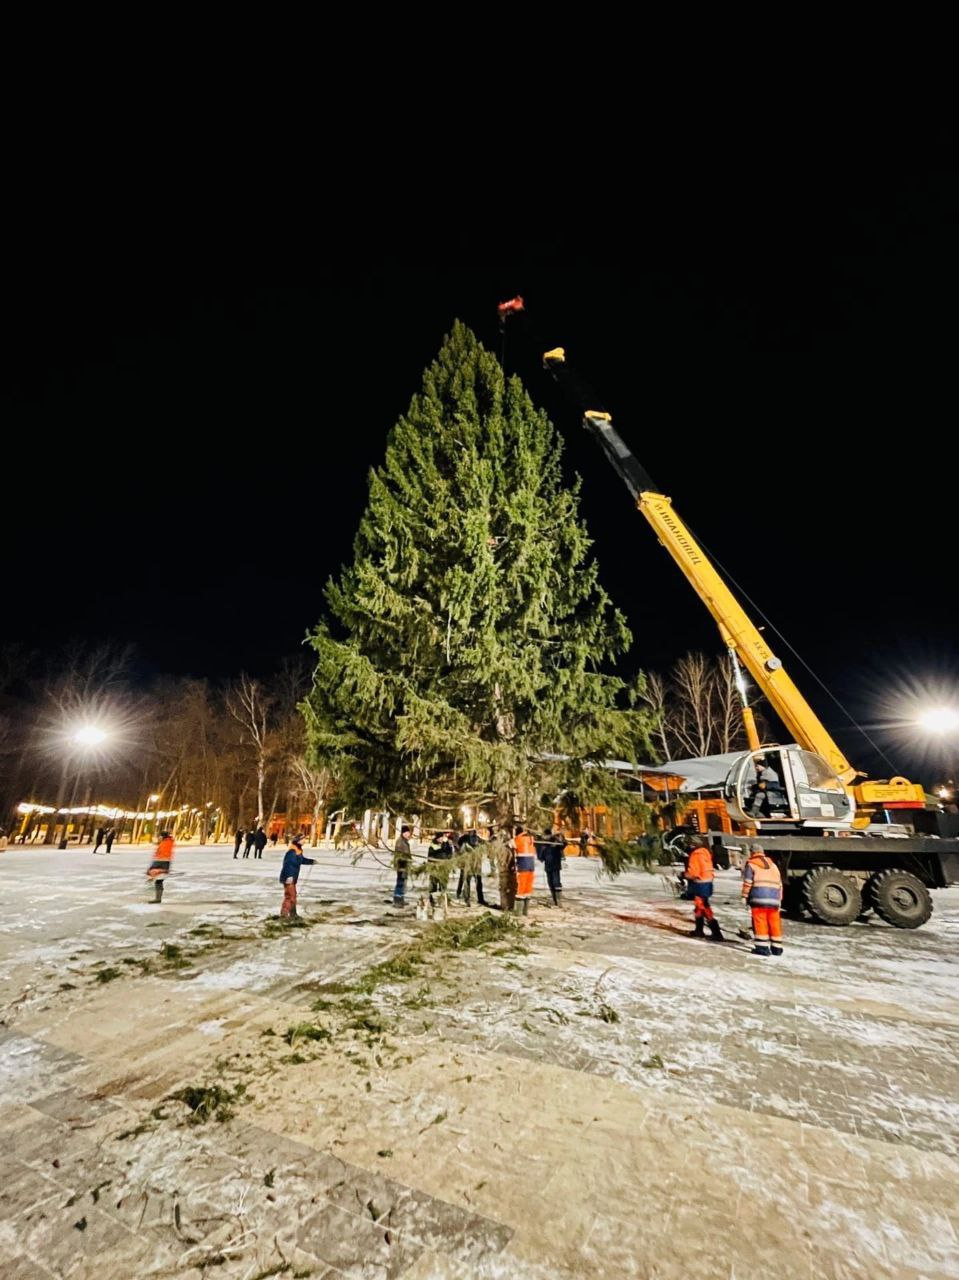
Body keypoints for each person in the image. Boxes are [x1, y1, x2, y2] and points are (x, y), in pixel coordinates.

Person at [741, 841, 784, 956]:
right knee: (774, 922)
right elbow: (780, 884)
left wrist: (744, 896)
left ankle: (762, 948)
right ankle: (777, 948)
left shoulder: (751, 864)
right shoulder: (773, 865)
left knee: (760, 922)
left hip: (759, 898)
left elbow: (748, 882)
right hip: (774, 899)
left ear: (752, 852)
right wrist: (779, 899)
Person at [683, 835, 723, 941]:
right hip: (708, 882)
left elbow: (694, 872)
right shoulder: (705, 853)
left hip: (700, 883)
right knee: (701, 906)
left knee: (702, 907)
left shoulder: (695, 855)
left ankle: (715, 932)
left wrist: (684, 875)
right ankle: (700, 930)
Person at [279, 834, 316, 918]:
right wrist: (289, 877)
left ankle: (293, 914)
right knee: (290, 896)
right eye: (303, 839)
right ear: (298, 840)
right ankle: (284, 914)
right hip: (289, 877)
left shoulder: (298, 850)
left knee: (293, 895)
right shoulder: (292, 851)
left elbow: (301, 860)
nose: (304, 841)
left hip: (293, 877)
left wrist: (311, 861)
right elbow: (288, 865)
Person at [456, 829, 486, 905]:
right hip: (468, 865)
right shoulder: (465, 843)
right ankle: (465, 898)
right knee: (466, 881)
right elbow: (461, 854)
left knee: (476, 882)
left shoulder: (478, 841)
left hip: (475, 865)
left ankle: (478, 898)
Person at [513, 825, 537, 915]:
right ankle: (525, 911)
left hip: (523, 866)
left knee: (521, 889)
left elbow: (511, 845)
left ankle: (518, 912)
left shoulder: (517, 839)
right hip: (531, 866)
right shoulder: (530, 838)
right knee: (528, 888)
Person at [539, 827, 565, 907]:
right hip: (548, 867)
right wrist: (542, 852)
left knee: (556, 883)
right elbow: (541, 858)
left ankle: (559, 901)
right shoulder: (544, 845)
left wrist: (557, 837)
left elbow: (564, 844)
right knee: (550, 883)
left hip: (555, 866)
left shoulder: (556, 844)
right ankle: (555, 900)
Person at [146, 830, 175, 904]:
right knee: (159, 881)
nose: (158, 838)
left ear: (162, 836)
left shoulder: (165, 843)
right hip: (164, 862)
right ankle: (158, 897)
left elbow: (161, 853)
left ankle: (158, 898)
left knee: (159, 881)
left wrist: (152, 869)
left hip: (162, 862)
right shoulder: (168, 842)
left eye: (160, 836)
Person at [393, 824, 412, 907]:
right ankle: (397, 901)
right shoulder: (400, 842)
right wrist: (405, 860)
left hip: (405, 865)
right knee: (400, 882)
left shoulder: (405, 841)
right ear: (404, 833)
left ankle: (401, 899)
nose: (409, 834)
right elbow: (401, 855)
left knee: (403, 882)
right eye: (408, 832)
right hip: (401, 865)